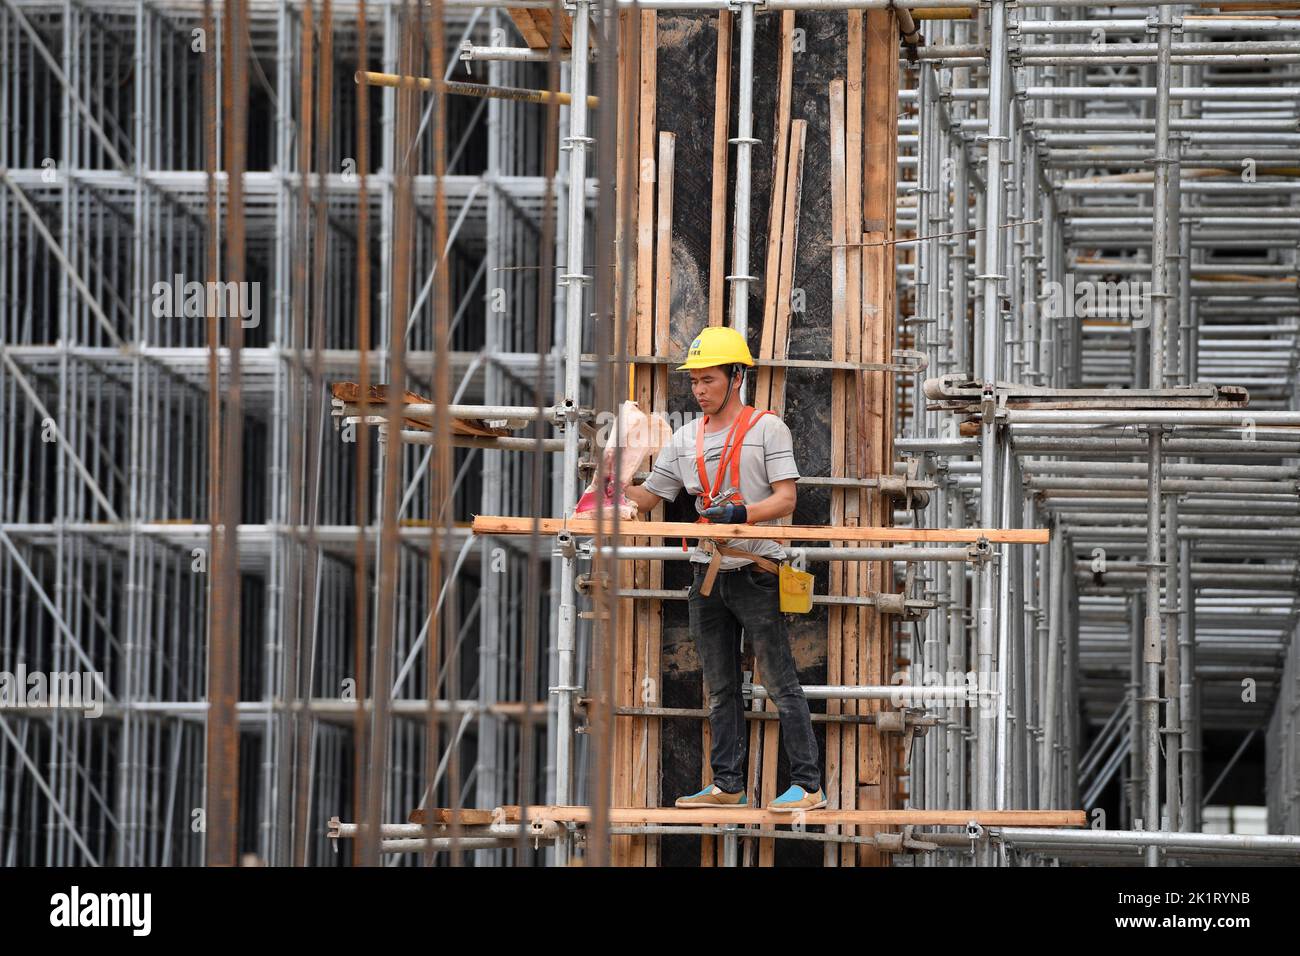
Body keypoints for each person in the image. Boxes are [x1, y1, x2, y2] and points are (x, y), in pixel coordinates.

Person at [621, 325, 826, 812]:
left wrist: (741, 515)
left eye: (708, 380)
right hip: (707, 575)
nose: (699, 390)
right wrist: (610, 480)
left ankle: (809, 786)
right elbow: (650, 498)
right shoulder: (685, 439)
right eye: (694, 381)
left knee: (780, 683)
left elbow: (786, 498)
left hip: (756, 571)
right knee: (719, 687)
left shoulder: (766, 428)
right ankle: (727, 785)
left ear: (736, 377)